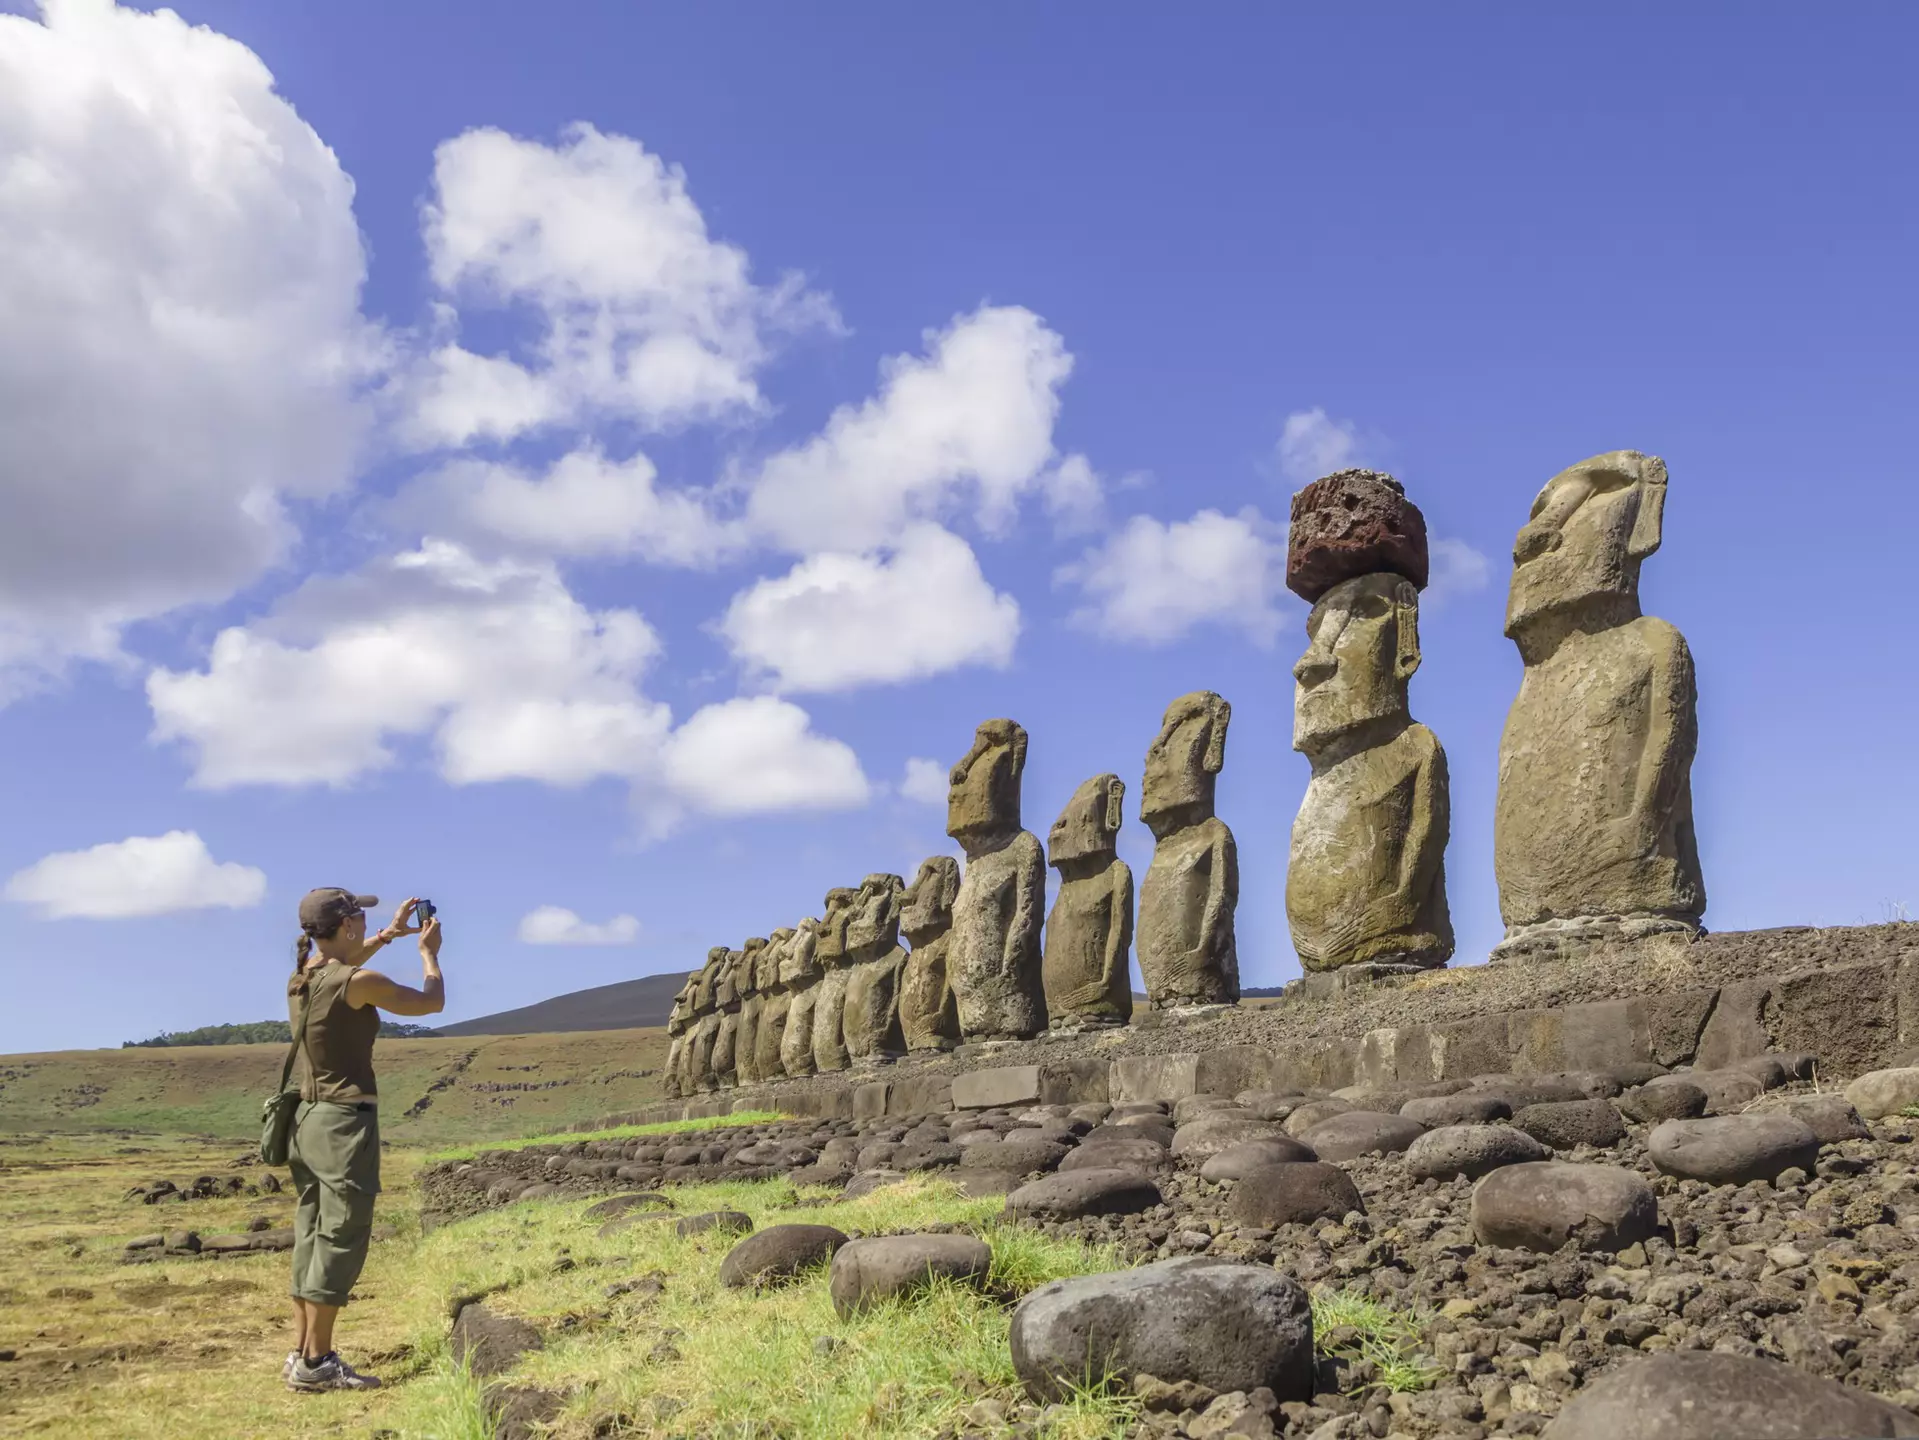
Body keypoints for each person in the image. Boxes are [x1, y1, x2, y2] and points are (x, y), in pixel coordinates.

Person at [281, 888, 444, 1393]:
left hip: (305, 1122)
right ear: (347, 926)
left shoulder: (302, 977)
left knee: (311, 1233)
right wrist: (428, 956)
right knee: (342, 1235)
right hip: (342, 1124)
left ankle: (303, 1353)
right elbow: (431, 1004)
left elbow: (345, 965)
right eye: (360, 917)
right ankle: (318, 1363)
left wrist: (390, 934)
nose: (364, 923)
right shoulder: (359, 981)